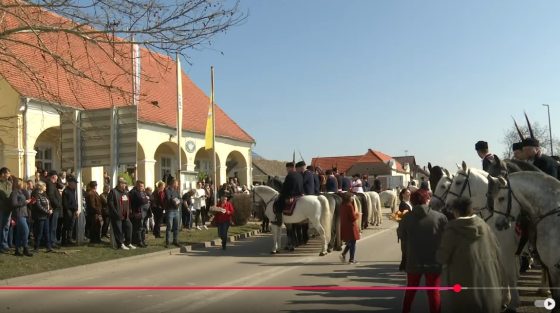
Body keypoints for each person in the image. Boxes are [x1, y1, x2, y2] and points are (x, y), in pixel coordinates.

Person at [436, 197, 504, 313]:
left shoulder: (452, 230)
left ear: (456, 212)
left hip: (461, 287)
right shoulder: (485, 226)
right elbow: (497, 250)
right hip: (488, 285)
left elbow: (442, 257)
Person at [398, 189, 447, 313]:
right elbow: (447, 237)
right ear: (427, 200)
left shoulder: (406, 218)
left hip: (414, 260)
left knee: (410, 291)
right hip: (434, 260)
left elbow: (402, 236)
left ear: (413, 202)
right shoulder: (440, 217)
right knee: (433, 292)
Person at [107, 178, 135, 250]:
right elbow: (110, 204)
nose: (125, 185)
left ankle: (128, 243)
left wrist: (129, 210)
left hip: (125, 215)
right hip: (117, 215)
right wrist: (116, 213)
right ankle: (120, 244)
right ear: (120, 184)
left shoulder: (125, 192)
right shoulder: (113, 192)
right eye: (123, 184)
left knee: (129, 227)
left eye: (125, 184)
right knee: (118, 230)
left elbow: (128, 202)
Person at [11, 178, 33, 257]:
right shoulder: (14, 192)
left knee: (19, 232)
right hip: (18, 214)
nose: (24, 184)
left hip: (24, 213)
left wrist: (29, 201)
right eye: (22, 183)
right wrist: (24, 202)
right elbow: (14, 204)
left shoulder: (22, 191)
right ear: (18, 184)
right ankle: (25, 248)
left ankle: (17, 249)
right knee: (26, 230)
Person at [339, 192, 360, 264]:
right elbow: (353, 218)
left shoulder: (342, 205)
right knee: (353, 243)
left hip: (344, 226)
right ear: (348, 198)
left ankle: (343, 254)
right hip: (351, 226)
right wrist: (358, 215)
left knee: (349, 242)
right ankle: (351, 259)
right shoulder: (349, 206)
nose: (352, 198)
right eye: (351, 197)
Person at [32, 181, 53, 253]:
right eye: (45, 186)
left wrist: (50, 209)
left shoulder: (44, 194)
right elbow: (38, 206)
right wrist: (47, 211)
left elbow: (48, 203)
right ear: (41, 187)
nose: (46, 187)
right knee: (39, 232)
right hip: (40, 217)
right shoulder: (36, 194)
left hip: (46, 216)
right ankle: (36, 247)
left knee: (47, 232)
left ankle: (48, 247)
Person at [129, 180, 149, 247]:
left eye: (142, 186)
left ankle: (143, 240)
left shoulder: (143, 192)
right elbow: (142, 200)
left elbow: (150, 198)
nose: (142, 187)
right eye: (140, 186)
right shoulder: (134, 192)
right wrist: (146, 199)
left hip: (145, 213)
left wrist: (146, 199)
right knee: (139, 228)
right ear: (137, 186)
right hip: (138, 212)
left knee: (143, 228)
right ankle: (139, 241)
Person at [45, 170, 62, 248]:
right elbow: (51, 196)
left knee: (53, 226)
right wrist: (57, 204)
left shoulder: (52, 184)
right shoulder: (50, 184)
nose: (57, 178)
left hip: (55, 208)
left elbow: (60, 186)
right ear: (53, 176)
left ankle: (52, 241)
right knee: (53, 226)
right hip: (54, 208)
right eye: (56, 176)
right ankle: (52, 242)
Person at [164, 179, 181, 248]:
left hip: (176, 211)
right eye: (177, 184)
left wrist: (177, 201)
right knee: (169, 227)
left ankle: (175, 241)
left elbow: (180, 199)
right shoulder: (167, 191)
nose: (177, 185)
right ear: (173, 183)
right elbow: (169, 199)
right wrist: (176, 200)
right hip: (170, 210)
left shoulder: (176, 191)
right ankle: (168, 242)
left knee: (176, 227)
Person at [61, 177, 78, 246]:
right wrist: (68, 210)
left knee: (71, 225)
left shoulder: (74, 191)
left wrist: (76, 209)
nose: (75, 185)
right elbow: (65, 203)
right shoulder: (66, 191)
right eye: (74, 183)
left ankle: (69, 239)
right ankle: (64, 241)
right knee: (66, 225)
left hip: (73, 210)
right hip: (68, 210)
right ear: (70, 183)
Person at [0, 167, 12, 253]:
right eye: (8, 173)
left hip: (9, 208)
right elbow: (4, 195)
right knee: (1, 227)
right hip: (1, 208)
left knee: (6, 227)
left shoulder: (9, 183)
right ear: (3, 174)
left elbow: (10, 194)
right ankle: (2, 245)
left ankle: (5, 244)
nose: (9, 175)